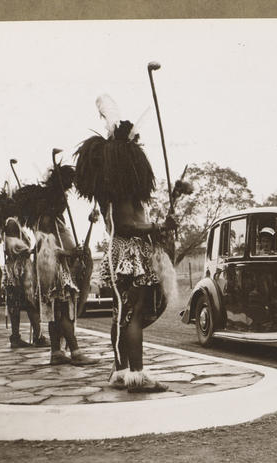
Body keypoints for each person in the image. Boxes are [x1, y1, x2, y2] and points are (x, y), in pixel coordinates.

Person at [74, 94, 177, 393]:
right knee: (132, 313)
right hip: (129, 252)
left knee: (123, 314)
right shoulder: (119, 192)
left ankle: (121, 372)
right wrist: (159, 226)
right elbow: (126, 225)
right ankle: (137, 375)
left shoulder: (117, 189)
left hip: (127, 252)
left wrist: (158, 229)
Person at [14, 164, 98, 366]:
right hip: (57, 272)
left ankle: (56, 351)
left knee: (55, 312)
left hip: (53, 271)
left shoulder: (49, 220)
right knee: (63, 309)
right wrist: (72, 253)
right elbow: (50, 249)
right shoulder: (46, 220)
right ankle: (76, 352)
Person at [3, 217, 49, 348]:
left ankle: (20, 337)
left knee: (18, 308)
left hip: (17, 278)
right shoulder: (12, 243)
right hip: (20, 278)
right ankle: (37, 337)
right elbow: (26, 253)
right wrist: (37, 245)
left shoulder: (9, 241)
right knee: (30, 306)